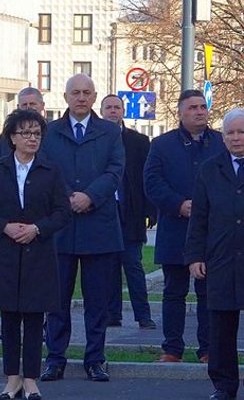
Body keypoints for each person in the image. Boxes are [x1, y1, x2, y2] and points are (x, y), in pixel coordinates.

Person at [0, 109, 71, 400]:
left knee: (33, 318)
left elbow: (62, 213)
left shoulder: (50, 171)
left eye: (37, 134)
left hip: (38, 254)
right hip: (4, 254)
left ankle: (30, 379)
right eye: (26, 133)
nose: (32, 139)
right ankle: (11, 379)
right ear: (12, 138)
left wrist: (37, 228)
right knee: (9, 320)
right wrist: (4, 226)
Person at [39, 74, 124, 383]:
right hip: (60, 228)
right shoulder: (49, 133)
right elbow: (44, 171)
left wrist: (90, 196)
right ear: (65, 97)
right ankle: (55, 359)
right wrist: (67, 198)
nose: (81, 97)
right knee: (56, 300)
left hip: (98, 226)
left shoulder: (109, 132)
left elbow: (115, 171)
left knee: (97, 301)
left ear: (94, 96)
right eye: (75, 92)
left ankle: (95, 359)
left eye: (87, 92)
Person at [144, 89, 225, 363]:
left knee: (208, 293)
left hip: (212, 233)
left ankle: (208, 350)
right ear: (180, 112)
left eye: (203, 107)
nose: (199, 111)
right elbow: (152, 183)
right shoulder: (162, 144)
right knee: (174, 292)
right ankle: (172, 349)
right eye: (193, 107)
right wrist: (179, 204)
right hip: (175, 228)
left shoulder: (220, 142)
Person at [186, 108, 244, 400]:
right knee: (220, 328)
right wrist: (195, 256)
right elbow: (199, 218)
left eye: (241, 132)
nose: (236, 138)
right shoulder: (209, 169)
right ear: (223, 138)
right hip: (220, 259)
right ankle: (224, 386)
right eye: (230, 133)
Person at [100, 94, 156, 330]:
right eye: (109, 108)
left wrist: (150, 211)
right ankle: (113, 315)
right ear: (101, 111)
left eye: (117, 107)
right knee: (109, 268)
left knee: (133, 266)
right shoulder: (96, 139)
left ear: (123, 111)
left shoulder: (139, 142)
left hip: (130, 213)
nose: (113, 111)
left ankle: (143, 315)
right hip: (103, 213)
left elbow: (147, 178)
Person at [0, 87, 46, 159]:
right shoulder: (7, 136)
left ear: (42, 105)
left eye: (32, 104)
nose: (28, 107)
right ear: (18, 107)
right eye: (24, 105)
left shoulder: (53, 133)